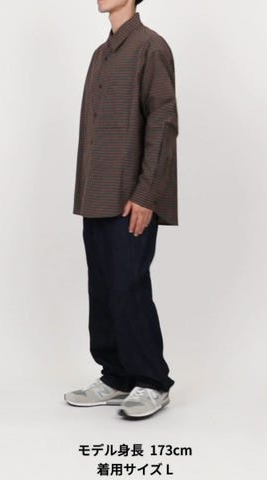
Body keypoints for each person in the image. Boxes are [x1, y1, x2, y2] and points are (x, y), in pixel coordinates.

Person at [64, 0, 179, 419]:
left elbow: (163, 122)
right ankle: (115, 375)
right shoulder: (101, 54)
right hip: (96, 192)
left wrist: (147, 194)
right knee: (102, 286)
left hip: (131, 195)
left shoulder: (151, 46)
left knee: (128, 285)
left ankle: (152, 381)